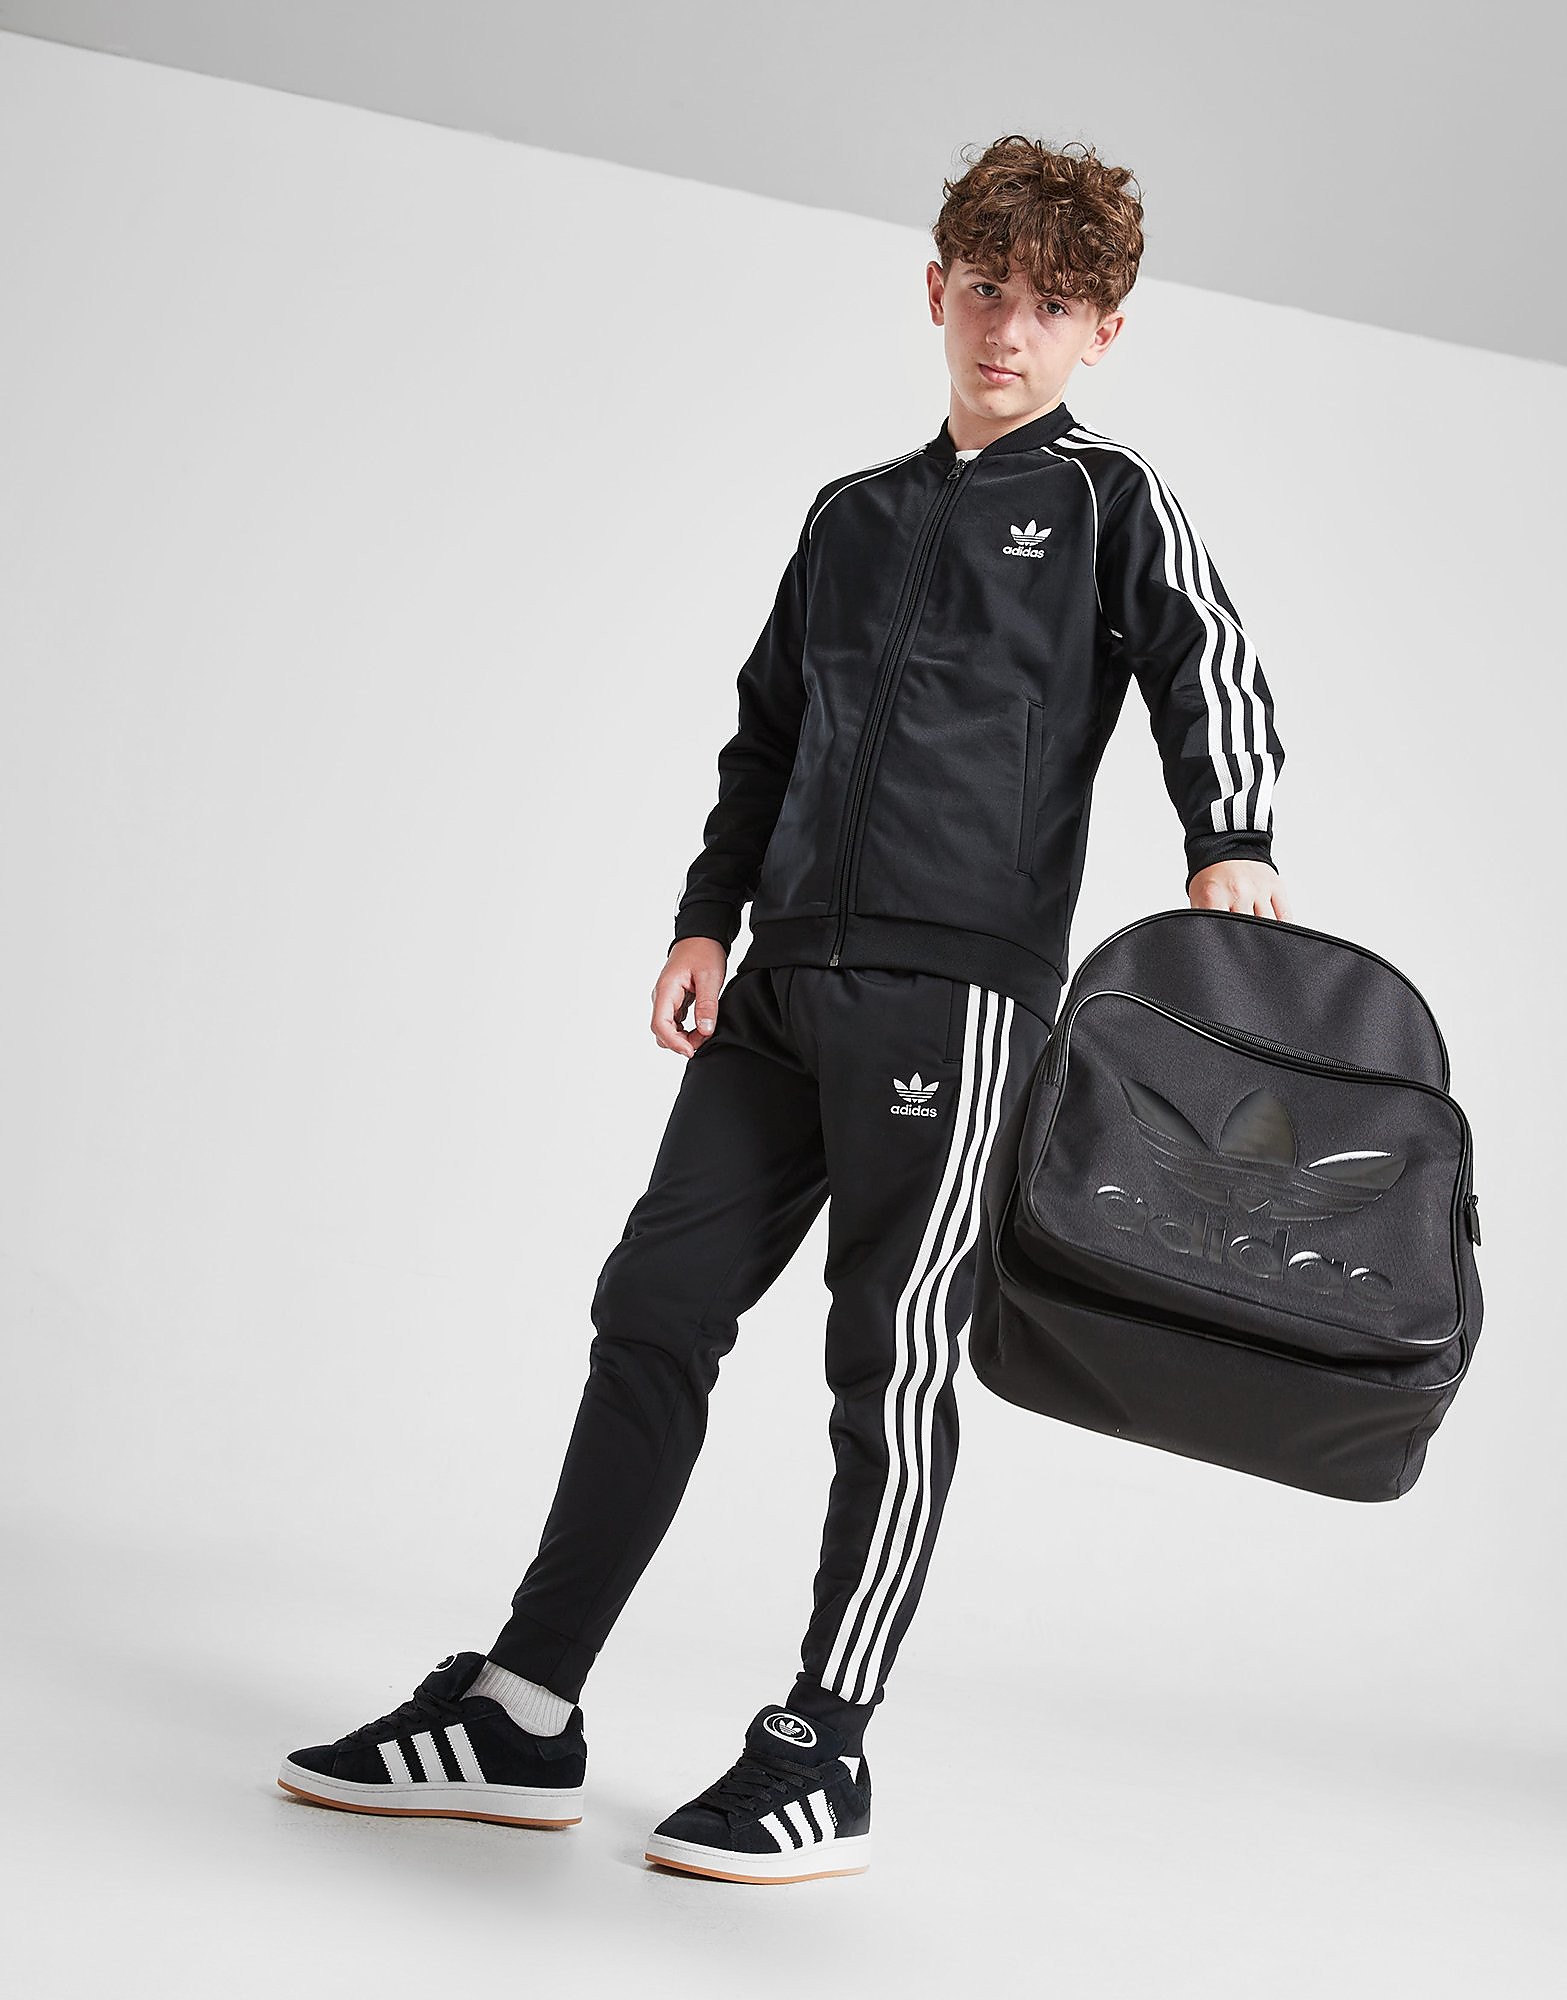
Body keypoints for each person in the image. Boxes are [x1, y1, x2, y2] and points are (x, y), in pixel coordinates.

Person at [276, 132, 1292, 1884]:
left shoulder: (1108, 499)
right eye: (988, 291)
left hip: (955, 1002)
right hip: (778, 986)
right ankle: (524, 1709)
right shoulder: (852, 515)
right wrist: (705, 917)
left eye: (1054, 308)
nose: (1011, 332)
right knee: (653, 1303)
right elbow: (769, 731)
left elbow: (1214, 657)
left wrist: (1234, 840)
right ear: (936, 289)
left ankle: (825, 1746)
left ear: (1104, 333)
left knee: (888, 1362)